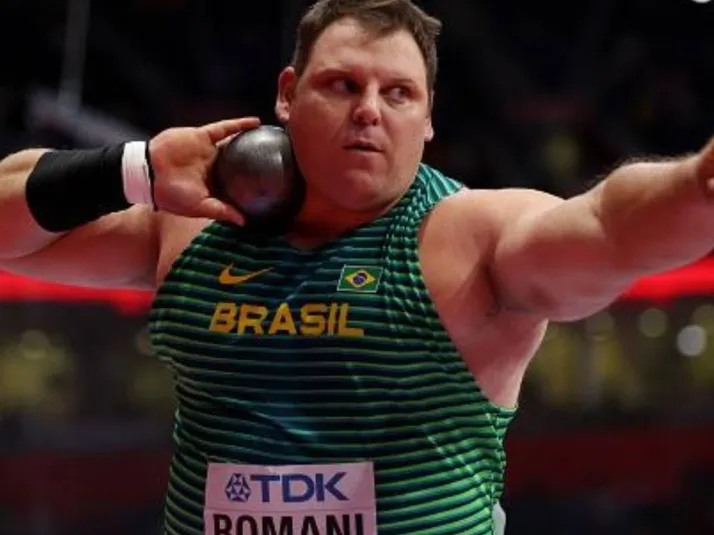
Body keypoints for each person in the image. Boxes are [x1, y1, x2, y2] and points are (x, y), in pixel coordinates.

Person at [1, 0, 713, 533]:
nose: (370, 111)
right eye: (342, 85)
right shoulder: (197, 220)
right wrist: (134, 168)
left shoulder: (470, 239)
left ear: (428, 116)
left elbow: (609, 224)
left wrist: (699, 184)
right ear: (287, 95)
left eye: (398, 93)